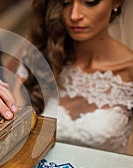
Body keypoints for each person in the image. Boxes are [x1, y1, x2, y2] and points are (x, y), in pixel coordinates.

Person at [21, 0, 133, 153]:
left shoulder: (129, 70)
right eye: (66, 3)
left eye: (90, 2)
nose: (74, 15)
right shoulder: (40, 57)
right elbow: (14, 135)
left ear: (116, 3)